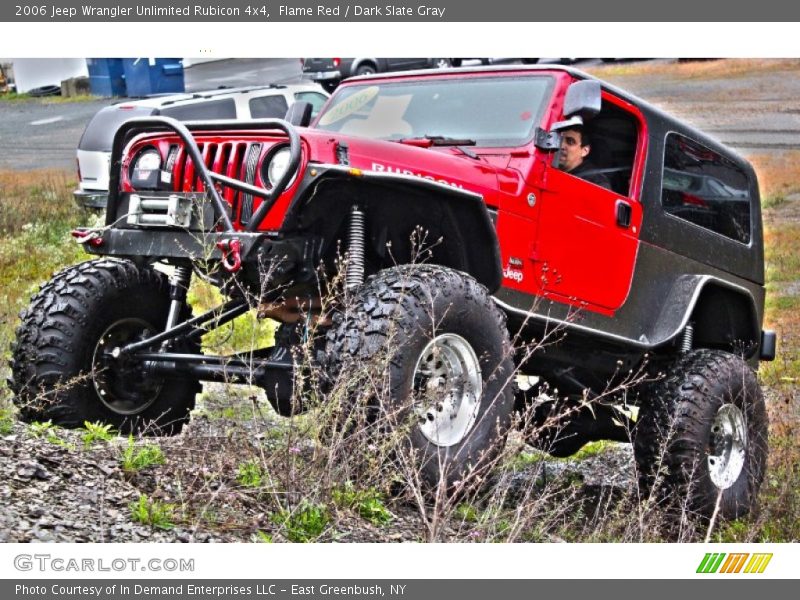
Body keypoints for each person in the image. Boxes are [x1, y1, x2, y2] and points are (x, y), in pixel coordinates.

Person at [557, 125, 612, 191]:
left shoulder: (596, 183)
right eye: (559, 139)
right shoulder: (548, 166)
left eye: (570, 142)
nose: (561, 146)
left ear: (585, 151)